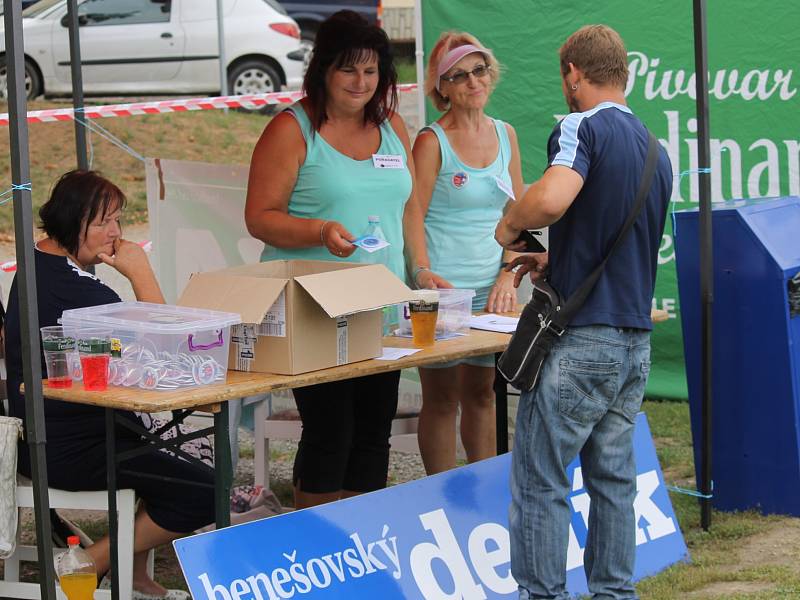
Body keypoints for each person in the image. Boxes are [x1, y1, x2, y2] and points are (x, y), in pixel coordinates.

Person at [494, 25, 673, 599]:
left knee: (543, 481)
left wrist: (512, 222)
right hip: (632, 342)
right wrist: (559, 259)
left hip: (582, 342)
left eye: (563, 75)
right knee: (614, 479)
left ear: (574, 72)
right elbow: (610, 240)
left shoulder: (580, 125)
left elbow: (551, 199)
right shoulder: (655, 146)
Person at [5, 170, 213, 600]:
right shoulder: (76, 290)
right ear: (68, 221)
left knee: (167, 452)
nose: (116, 233)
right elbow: (171, 347)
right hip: (70, 447)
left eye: (118, 219)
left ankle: (133, 577)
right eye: (103, 222)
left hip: (47, 434)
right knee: (205, 490)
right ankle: (92, 562)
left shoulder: (36, 264)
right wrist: (140, 272)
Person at [244, 10, 414, 509]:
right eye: (348, 69)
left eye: (371, 71)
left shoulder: (393, 128)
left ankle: (360, 543)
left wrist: (421, 272)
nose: (360, 82)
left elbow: (410, 210)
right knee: (329, 431)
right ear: (323, 69)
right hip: (313, 308)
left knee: (373, 431)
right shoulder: (291, 129)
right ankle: (318, 547)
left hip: (381, 302)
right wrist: (319, 231)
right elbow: (259, 217)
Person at [405, 32, 524, 474]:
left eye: (479, 70)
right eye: (459, 75)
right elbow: (412, 214)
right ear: (443, 89)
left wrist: (507, 275)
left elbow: (516, 215)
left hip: (489, 294)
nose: (473, 81)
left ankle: (485, 490)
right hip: (441, 291)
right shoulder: (432, 141)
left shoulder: (506, 135)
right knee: (440, 399)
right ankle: (440, 494)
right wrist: (421, 273)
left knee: (482, 393)